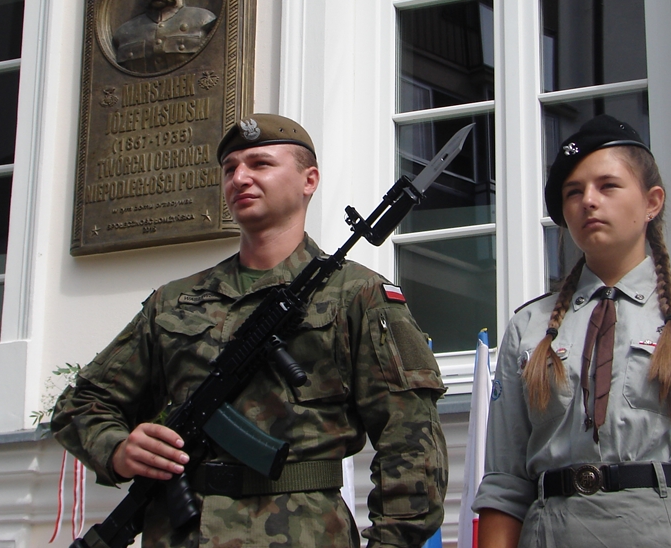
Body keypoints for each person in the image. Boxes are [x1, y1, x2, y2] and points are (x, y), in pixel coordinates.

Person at [52, 114, 448, 548]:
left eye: (260, 164)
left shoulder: (357, 295)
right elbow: (81, 405)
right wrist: (118, 450)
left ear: (308, 179)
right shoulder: (176, 301)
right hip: (182, 533)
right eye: (229, 169)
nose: (240, 177)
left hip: (302, 534)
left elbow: (412, 444)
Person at [472, 115, 671, 548]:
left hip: (666, 534)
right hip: (552, 534)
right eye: (572, 192)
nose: (588, 202)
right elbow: (504, 484)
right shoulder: (529, 328)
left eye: (607, 186)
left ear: (652, 201)